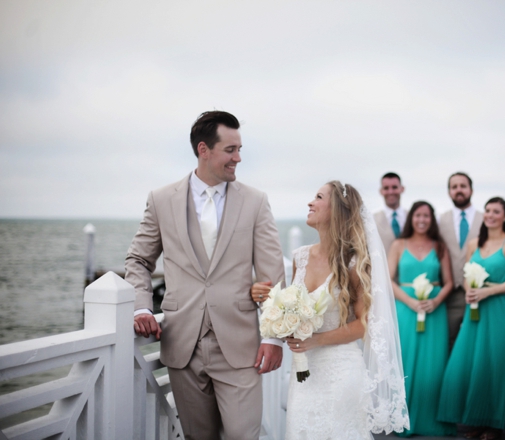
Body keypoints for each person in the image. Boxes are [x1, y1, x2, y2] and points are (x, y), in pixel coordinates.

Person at [126, 111, 286, 440]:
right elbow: (139, 259)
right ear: (204, 150)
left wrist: (273, 337)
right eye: (230, 150)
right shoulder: (161, 200)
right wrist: (141, 307)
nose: (238, 158)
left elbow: (273, 275)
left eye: (239, 149)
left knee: (244, 435)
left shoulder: (256, 202)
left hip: (241, 345)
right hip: (182, 343)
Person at [253, 181, 409, 439]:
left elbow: (363, 324)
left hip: (341, 371)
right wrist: (263, 297)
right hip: (304, 374)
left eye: (318, 197)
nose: (310, 202)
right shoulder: (300, 256)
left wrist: (316, 340)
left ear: (336, 210)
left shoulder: (355, 262)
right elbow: (289, 308)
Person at [437, 197, 505, 440]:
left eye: (497, 211)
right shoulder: (474, 243)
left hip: (500, 309)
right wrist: (469, 289)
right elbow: (465, 275)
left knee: (496, 365)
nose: (491, 215)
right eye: (488, 211)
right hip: (475, 311)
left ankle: (494, 424)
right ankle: (473, 420)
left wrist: (487, 291)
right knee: (470, 364)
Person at [388, 201, 455, 437]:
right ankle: (403, 419)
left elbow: (449, 283)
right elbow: (389, 280)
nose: (422, 220)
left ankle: (432, 420)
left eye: (427, 216)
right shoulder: (398, 245)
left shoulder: (439, 247)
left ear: (432, 219)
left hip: (434, 312)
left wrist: (435, 302)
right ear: (411, 218)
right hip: (406, 310)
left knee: (433, 365)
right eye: (418, 215)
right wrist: (410, 302)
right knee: (405, 363)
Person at [437, 172, 484, 349]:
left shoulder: (486, 218)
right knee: (449, 340)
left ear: (471, 189)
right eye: (454, 187)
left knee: (477, 340)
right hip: (449, 294)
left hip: (479, 292)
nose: (459, 190)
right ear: (449, 192)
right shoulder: (440, 220)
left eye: (463, 186)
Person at [374, 172, 407, 252]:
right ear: (381, 191)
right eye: (386, 188)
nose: (391, 192)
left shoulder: (413, 217)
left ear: (402, 189)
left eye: (394, 187)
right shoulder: (373, 220)